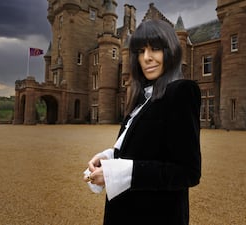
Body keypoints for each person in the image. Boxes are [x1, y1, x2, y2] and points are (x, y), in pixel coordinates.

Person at [84, 19, 201, 225]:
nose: (147, 58)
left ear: (171, 50)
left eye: (155, 49)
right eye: (140, 51)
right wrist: (109, 157)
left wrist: (116, 173)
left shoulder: (181, 91)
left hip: (155, 216)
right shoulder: (143, 97)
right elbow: (145, 148)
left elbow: (187, 172)